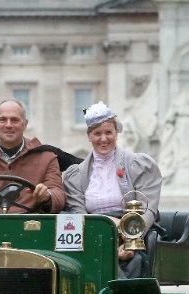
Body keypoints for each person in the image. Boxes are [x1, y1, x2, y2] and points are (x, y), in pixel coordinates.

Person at [63, 101, 162, 278]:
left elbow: (148, 208)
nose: (103, 139)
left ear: (116, 133)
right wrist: (107, 224)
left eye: (108, 132)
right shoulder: (75, 175)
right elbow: (78, 213)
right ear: (89, 136)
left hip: (132, 234)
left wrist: (131, 239)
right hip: (93, 235)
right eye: (97, 133)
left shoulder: (138, 165)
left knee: (132, 261)